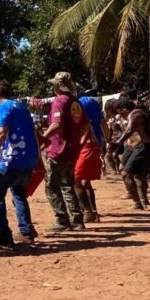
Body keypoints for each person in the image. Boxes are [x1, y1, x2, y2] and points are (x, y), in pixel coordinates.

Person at [0, 80, 39, 248]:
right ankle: (26, 231)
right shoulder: (22, 107)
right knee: (19, 193)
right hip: (28, 159)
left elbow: (1, 133)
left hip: (11, 160)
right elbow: (34, 132)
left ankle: (4, 235)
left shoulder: (3, 107)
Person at [42, 72, 88, 231]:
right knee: (68, 185)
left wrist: (42, 139)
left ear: (58, 86)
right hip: (72, 150)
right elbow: (85, 125)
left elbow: (57, 125)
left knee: (51, 186)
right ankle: (77, 219)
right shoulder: (76, 102)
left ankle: (62, 220)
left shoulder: (59, 101)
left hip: (57, 150)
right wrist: (79, 142)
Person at [110, 98, 150, 209]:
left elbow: (129, 130)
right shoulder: (136, 114)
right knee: (130, 171)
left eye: (120, 111)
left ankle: (138, 202)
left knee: (127, 173)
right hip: (133, 146)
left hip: (144, 146)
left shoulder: (135, 114)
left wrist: (118, 142)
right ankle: (142, 200)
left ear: (124, 108)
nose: (119, 114)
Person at [75, 95, 109, 223]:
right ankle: (93, 212)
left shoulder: (80, 115)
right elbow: (105, 129)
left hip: (85, 148)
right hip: (95, 146)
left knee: (77, 181)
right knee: (85, 182)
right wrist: (106, 143)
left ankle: (88, 212)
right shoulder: (97, 112)